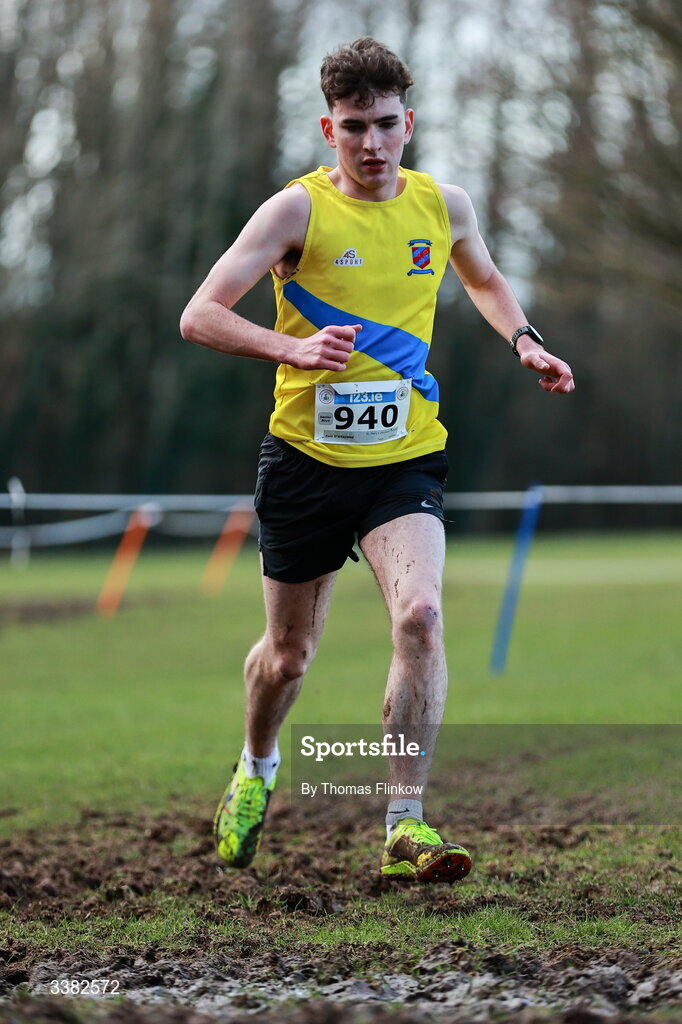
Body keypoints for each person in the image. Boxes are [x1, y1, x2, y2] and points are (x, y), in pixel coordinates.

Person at [180, 37, 574, 884]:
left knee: (421, 616)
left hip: (405, 461)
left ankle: (406, 826)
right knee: (288, 657)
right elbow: (201, 315)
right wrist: (288, 346)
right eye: (354, 126)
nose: (371, 144)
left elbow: (485, 279)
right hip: (305, 463)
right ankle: (256, 768)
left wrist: (525, 341)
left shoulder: (444, 204)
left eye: (386, 125)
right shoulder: (295, 212)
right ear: (330, 127)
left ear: (410, 123)